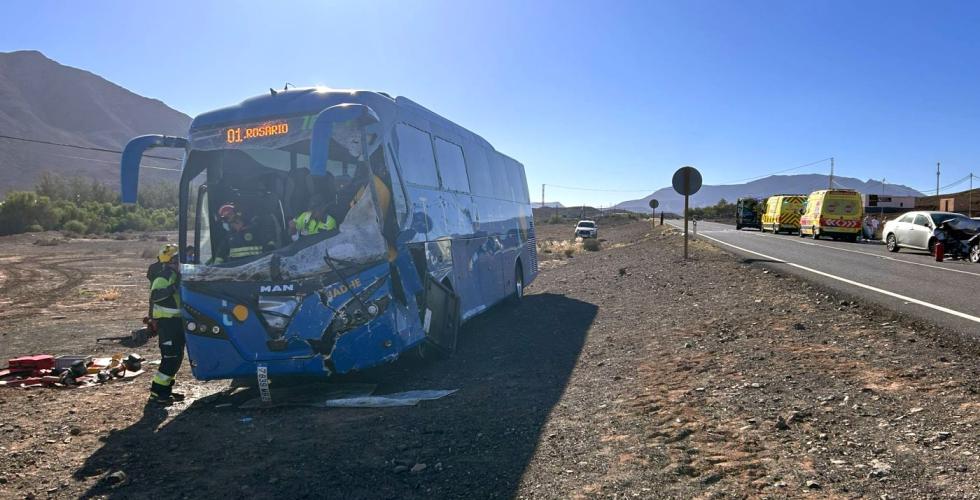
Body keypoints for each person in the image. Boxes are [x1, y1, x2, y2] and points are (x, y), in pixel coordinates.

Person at [148, 243, 185, 404]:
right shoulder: (163, 277)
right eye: (177, 259)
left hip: (176, 323)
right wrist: (173, 288)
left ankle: (167, 390)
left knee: (176, 357)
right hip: (167, 324)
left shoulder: (175, 276)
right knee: (170, 358)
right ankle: (157, 393)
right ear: (171, 261)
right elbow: (155, 296)